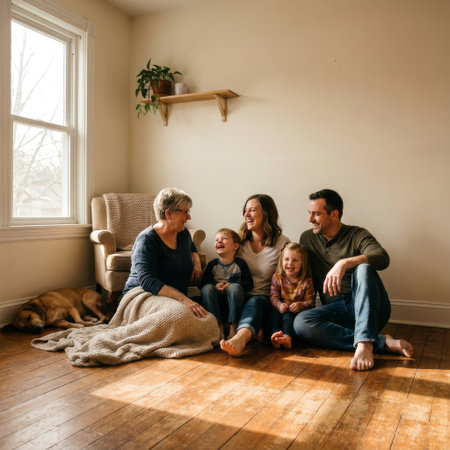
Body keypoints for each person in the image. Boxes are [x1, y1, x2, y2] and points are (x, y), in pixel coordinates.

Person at [293, 189, 414, 371]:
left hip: (370, 308)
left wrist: (346, 262)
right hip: (337, 310)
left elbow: (381, 257)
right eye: (309, 213)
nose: (310, 219)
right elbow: (301, 273)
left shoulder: (356, 234)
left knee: (363, 268)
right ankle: (381, 342)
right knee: (301, 323)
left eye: (316, 214)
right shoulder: (307, 238)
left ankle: (365, 343)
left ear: (334, 214)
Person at [220, 194, 290, 356]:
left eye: (252, 210)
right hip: (237, 297)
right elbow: (225, 266)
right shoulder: (239, 241)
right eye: (245, 211)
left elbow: (285, 280)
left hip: (263, 300)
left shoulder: (283, 244)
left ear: (266, 213)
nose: (246, 215)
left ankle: (240, 339)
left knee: (256, 301)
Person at [123, 187, 208, 319]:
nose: (189, 217)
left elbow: (192, 247)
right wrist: (183, 300)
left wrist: (196, 262)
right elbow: (148, 281)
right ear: (168, 214)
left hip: (173, 298)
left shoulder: (183, 234)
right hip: (142, 295)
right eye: (185, 212)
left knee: (208, 319)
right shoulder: (146, 239)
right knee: (178, 316)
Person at [200, 228, 253, 340]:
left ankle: (233, 327)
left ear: (235, 246)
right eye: (216, 240)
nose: (219, 242)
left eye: (224, 239)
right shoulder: (212, 264)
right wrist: (215, 286)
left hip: (234, 302)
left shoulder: (240, 264)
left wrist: (231, 285)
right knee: (207, 288)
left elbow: (249, 284)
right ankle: (218, 327)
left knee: (235, 287)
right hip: (217, 302)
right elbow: (203, 284)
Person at [269, 242, 315, 349]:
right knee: (274, 316)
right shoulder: (277, 277)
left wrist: (300, 305)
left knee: (288, 316)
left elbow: (310, 301)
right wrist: (279, 305)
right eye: (287, 259)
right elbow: (273, 296)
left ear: (302, 263)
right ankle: (275, 338)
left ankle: (287, 338)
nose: (290, 263)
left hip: (296, 313)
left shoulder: (306, 281)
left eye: (295, 260)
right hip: (280, 310)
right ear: (281, 261)